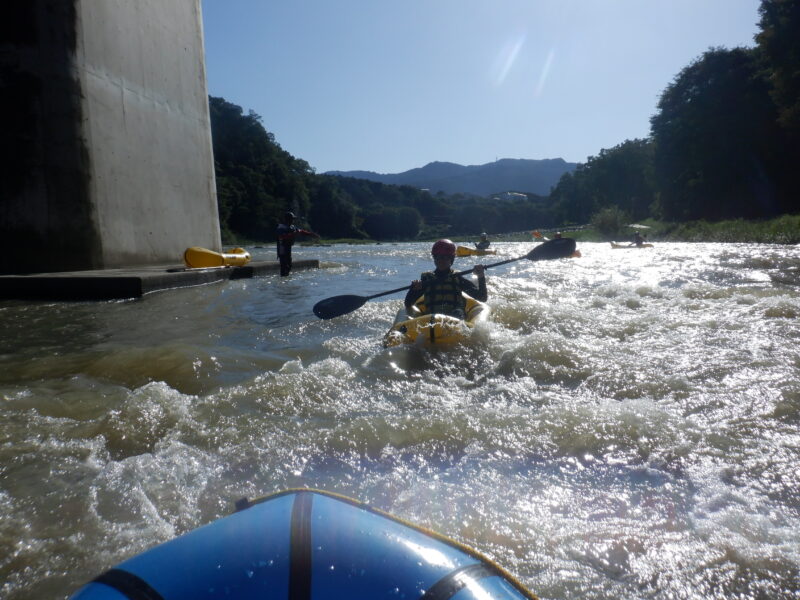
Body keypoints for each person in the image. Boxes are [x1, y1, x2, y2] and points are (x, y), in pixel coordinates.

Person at [404, 239, 487, 319]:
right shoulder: (427, 280)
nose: (441, 260)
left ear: (451, 259)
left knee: (458, 312)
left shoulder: (457, 278)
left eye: (445, 257)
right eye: (438, 257)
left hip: (455, 320)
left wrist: (481, 276)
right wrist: (413, 290)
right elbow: (408, 304)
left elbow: (482, 297)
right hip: (432, 321)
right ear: (434, 258)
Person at [276, 211, 318, 276]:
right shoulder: (281, 227)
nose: (293, 220)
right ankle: (283, 278)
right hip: (282, 247)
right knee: (284, 265)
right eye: (292, 219)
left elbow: (301, 231)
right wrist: (293, 234)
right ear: (288, 219)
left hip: (288, 247)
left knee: (289, 265)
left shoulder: (292, 227)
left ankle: (285, 279)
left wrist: (311, 234)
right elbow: (282, 236)